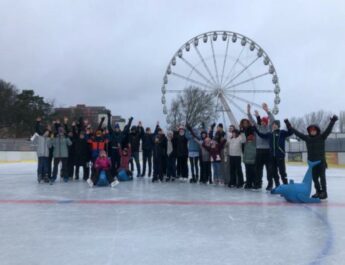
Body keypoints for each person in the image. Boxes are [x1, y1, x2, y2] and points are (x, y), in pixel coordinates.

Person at [285, 115, 338, 199]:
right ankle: (318, 191)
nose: (312, 131)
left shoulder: (321, 137)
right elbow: (297, 133)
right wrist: (288, 125)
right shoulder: (307, 138)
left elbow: (328, 130)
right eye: (311, 130)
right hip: (312, 163)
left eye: (314, 130)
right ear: (309, 131)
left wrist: (332, 121)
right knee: (314, 178)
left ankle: (324, 192)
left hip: (321, 162)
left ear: (317, 131)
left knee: (322, 178)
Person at [254, 119, 293, 188]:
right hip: (272, 156)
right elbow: (261, 135)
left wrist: (287, 123)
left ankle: (286, 186)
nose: (274, 126)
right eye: (273, 125)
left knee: (282, 172)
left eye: (275, 125)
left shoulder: (282, 133)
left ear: (278, 126)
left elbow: (290, 132)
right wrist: (255, 129)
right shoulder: (270, 134)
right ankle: (277, 185)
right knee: (274, 172)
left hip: (280, 156)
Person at [248, 103, 275, 190]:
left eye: (264, 121)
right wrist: (248, 112)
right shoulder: (258, 127)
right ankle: (257, 183)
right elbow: (251, 120)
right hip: (259, 150)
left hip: (267, 151)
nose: (263, 122)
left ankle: (270, 184)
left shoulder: (269, 128)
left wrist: (267, 111)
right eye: (262, 121)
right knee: (258, 169)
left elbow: (273, 119)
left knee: (269, 169)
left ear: (266, 122)